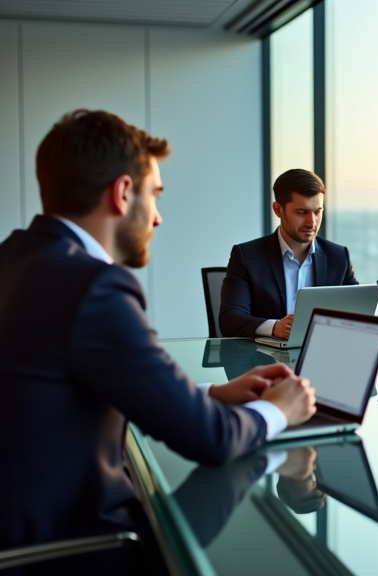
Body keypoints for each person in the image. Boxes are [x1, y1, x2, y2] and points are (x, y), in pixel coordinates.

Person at [0, 110, 317, 559]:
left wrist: (208, 393)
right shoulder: (93, 288)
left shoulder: (15, 258)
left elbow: (85, 386)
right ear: (123, 193)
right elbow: (212, 441)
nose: (158, 218)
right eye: (155, 196)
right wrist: (277, 410)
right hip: (75, 549)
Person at [219, 169, 358, 339]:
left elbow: (359, 311)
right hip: (265, 360)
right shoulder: (247, 256)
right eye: (301, 212)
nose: (311, 222)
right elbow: (229, 320)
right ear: (278, 209)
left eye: (317, 211)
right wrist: (275, 327)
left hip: (323, 356)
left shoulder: (338, 256)